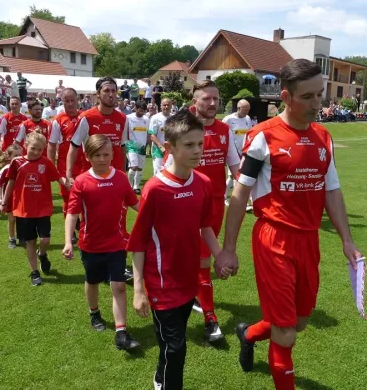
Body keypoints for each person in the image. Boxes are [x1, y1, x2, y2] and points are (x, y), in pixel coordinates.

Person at [217, 59, 362, 390]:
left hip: (309, 240)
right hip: (274, 239)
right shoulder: (262, 137)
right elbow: (239, 197)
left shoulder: (323, 137)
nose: (317, 104)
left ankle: (249, 333)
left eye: (320, 95)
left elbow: (333, 191)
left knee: (298, 322)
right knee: (285, 332)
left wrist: (347, 240)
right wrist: (228, 250)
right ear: (286, 96)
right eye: (308, 97)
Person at [127, 110, 223, 390]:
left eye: (200, 144)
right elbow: (138, 242)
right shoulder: (154, 189)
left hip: (187, 280)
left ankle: (159, 378)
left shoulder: (203, 184)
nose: (197, 151)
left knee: (172, 343)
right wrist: (138, 290)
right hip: (161, 284)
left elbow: (206, 226)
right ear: (169, 148)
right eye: (189, 145)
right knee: (177, 348)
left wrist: (220, 255)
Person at [62, 134, 140, 351]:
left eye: (106, 154)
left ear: (113, 155)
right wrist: (68, 241)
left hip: (116, 243)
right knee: (93, 282)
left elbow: (135, 204)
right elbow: (72, 213)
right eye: (97, 155)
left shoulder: (121, 178)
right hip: (91, 244)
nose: (103, 159)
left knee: (119, 286)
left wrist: (156, 216)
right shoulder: (82, 181)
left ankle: (121, 332)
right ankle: (94, 312)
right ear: (88, 157)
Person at [176, 81, 240, 342]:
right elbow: (171, 168)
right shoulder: (184, 129)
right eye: (206, 99)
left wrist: (255, 193)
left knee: (200, 258)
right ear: (195, 102)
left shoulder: (225, 130)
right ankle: (210, 319)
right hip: (187, 203)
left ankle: (194, 296)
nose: (212, 103)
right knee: (199, 259)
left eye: (216, 98)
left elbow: (236, 167)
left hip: (214, 205)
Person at [0, 132, 66, 286]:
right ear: (26, 146)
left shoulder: (46, 162)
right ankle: (34, 272)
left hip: (43, 208)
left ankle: (42, 254)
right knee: (30, 241)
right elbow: (10, 182)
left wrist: (69, 184)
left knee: (45, 239)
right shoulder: (16, 162)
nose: (36, 152)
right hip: (23, 209)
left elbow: (58, 177)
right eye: (33, 148)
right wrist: (4, 202)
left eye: (40, 149)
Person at [67, 77, 128, 183]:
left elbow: (122, 149)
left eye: (113, 91)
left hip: (115, 177)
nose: (111, 94)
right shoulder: (86, 117)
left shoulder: (123, 119)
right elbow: (73, 147)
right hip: (92, 177)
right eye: (106, 90)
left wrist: (123, 175)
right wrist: (68, 174)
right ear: (98, 94)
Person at [48, 88, 84, 242]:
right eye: (66, 101)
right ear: (61, 101)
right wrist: (52, 168)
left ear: (78, 100)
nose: (70, 104)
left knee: (86, 198)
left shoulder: (85, 117)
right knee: (68, 199)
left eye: (72, 100)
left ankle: (82, 226)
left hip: (84, 165)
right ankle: (72, 231)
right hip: (64, 166)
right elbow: (51, 145)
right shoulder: (58, 120)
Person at [222, 99, 253, 207]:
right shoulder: (228, 119)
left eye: (248, 110)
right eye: (245, 110)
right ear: (238, 108)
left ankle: (237, 199)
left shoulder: (248, 119)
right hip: (233, 153)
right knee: (234, 176)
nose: (247, 112)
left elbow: (249, 134)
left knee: (238, 176)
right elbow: (222, 135)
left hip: (244, 151)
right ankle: (232, 199)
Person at [0, 144, 23, 248]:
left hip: (21, 199)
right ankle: (12, 238)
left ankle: (22, 236)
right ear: (9, 157)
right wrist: (0, 198)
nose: (18, 158)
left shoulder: (24, 167)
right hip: (9, 199)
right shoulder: (6, 169)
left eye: (20, 155)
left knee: (22, 219)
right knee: (12, 219)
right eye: (15, 155)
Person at [125, 100, 149, 194]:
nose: (141, 112)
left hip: (142, 146)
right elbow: (125, 131)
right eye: (140, 110)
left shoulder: (146, 119)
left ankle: (136, 187)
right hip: (131, 146)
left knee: (140, 168)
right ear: (135, 108)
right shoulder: (128, 118)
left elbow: (147, 132)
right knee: (133, 166)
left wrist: (147, 144)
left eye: (143, 111)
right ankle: (130, 187)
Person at [148, 98, 172, 175]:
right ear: (161, 106)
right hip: (158, 150)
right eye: (164, 105)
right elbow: (152, 135)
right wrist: (162, 148)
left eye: (168, 105)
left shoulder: (174, 118)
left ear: (171, 106)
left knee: (170, 172)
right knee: (158, 173)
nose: (166, 107)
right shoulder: (155, 118)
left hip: (171, 150)